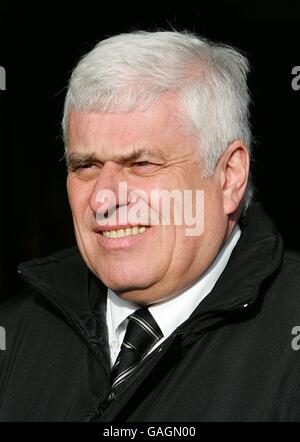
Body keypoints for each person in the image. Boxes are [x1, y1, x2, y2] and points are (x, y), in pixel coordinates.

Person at [1, 30, 300, 422]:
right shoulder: (15, 332)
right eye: (86, 166)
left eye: (142, 165)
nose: (105, 198)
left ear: (229, 177)